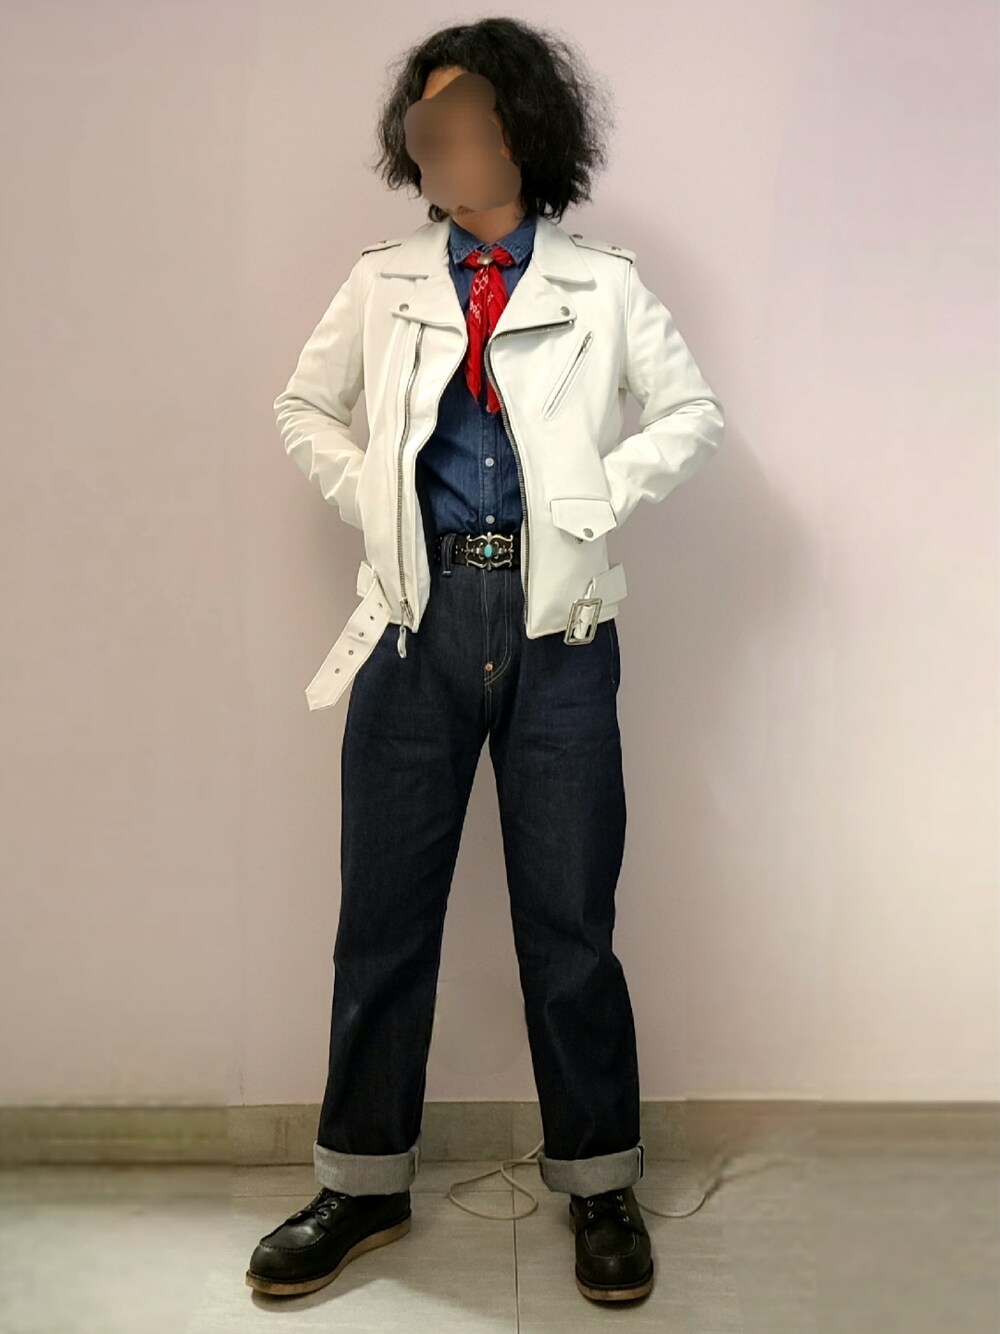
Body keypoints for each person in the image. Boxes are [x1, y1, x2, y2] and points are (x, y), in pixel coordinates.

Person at [246, 16, 724, 1306]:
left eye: (469, 118)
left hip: (561, 635)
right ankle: (361, 1181)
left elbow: (691, 414)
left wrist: (594, 497)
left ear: (524, 131)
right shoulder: (384, 281)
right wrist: (375, 501)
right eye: (427, 125)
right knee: (383, 916)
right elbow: (303, 406)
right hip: (415, 627)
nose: (444, 144)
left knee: (570, 921)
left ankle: (599, 1180)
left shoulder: (601, 285)